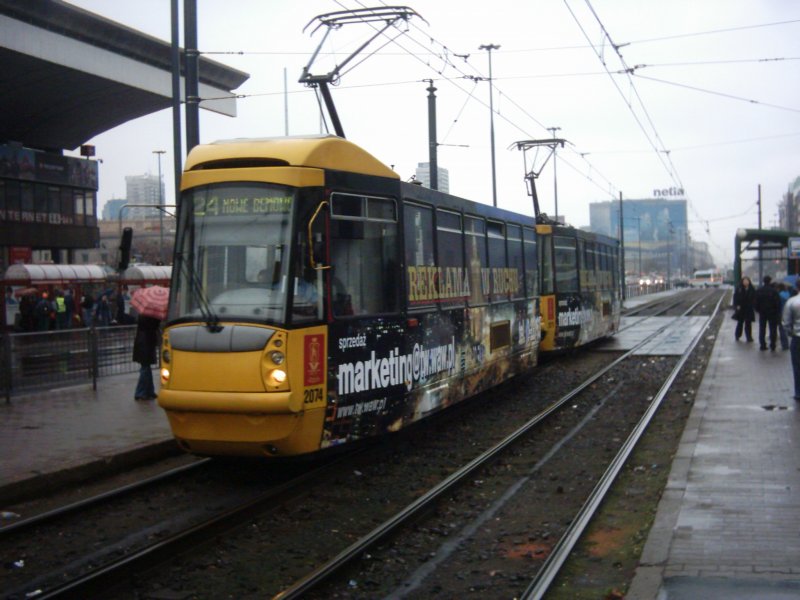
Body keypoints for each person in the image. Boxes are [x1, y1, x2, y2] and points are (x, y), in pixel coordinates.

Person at [132, 314, 161, 401]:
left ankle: (149, 391)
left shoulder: (144, 315)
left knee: (146, 368)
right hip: (145, 344)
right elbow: (152, 326)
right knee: (145, 369)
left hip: (144, 343)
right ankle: (140, 393)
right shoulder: (147, 317)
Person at [782, 279, 800, 400]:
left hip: (797, 338)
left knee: (797, 366)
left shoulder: (791, 302)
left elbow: (786, 323)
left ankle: (798, 392)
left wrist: (791, 333)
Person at [754, 275, 781, 351]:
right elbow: (777, 302)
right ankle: (773, 345)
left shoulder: (759, 290)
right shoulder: (774, 291)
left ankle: (762, 345)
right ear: (770, 281)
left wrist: (758, 310)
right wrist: (777, 311)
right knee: (773, 329)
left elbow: (755, 302)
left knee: (762, 328)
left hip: (762, 312)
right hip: (772, 312)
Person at [732, 276, 756, 343]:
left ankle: (749, 337)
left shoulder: (752, 289)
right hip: (741, 308)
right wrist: (736, 306)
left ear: (749, 281)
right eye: (744, 281)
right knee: (740, 322)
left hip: (749, 308)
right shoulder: (739, 288)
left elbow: (754, 298)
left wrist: (753, 305)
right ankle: (737, 335)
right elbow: (735, 297)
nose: (746, 282)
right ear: (742, 282)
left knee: (748, 323)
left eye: (747, 281)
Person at [778, 282, 791, 351]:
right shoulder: (788, 293)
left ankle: (785, 344)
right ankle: (786, 344)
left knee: (781, 328)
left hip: (781, 312)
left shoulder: (779, 295)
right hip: (787, 312)